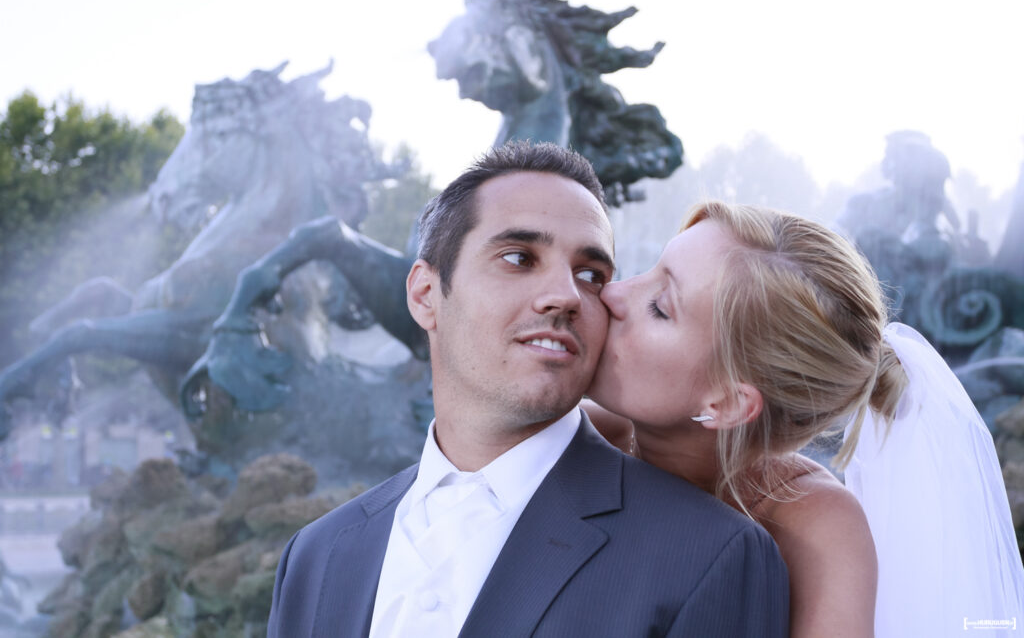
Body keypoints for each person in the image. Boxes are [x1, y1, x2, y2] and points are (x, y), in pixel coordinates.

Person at [267, 143, 790, 637]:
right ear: (426, 294)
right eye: (519, 258)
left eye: (590, 274)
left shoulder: (710, 555)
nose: (566, 295)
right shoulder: (314, 556)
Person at [585, 200, 1024, 638]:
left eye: (660, 307)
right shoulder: (577, 433)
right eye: (649, 268)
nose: (612, 293)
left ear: (730, 404)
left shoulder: (817, 533)